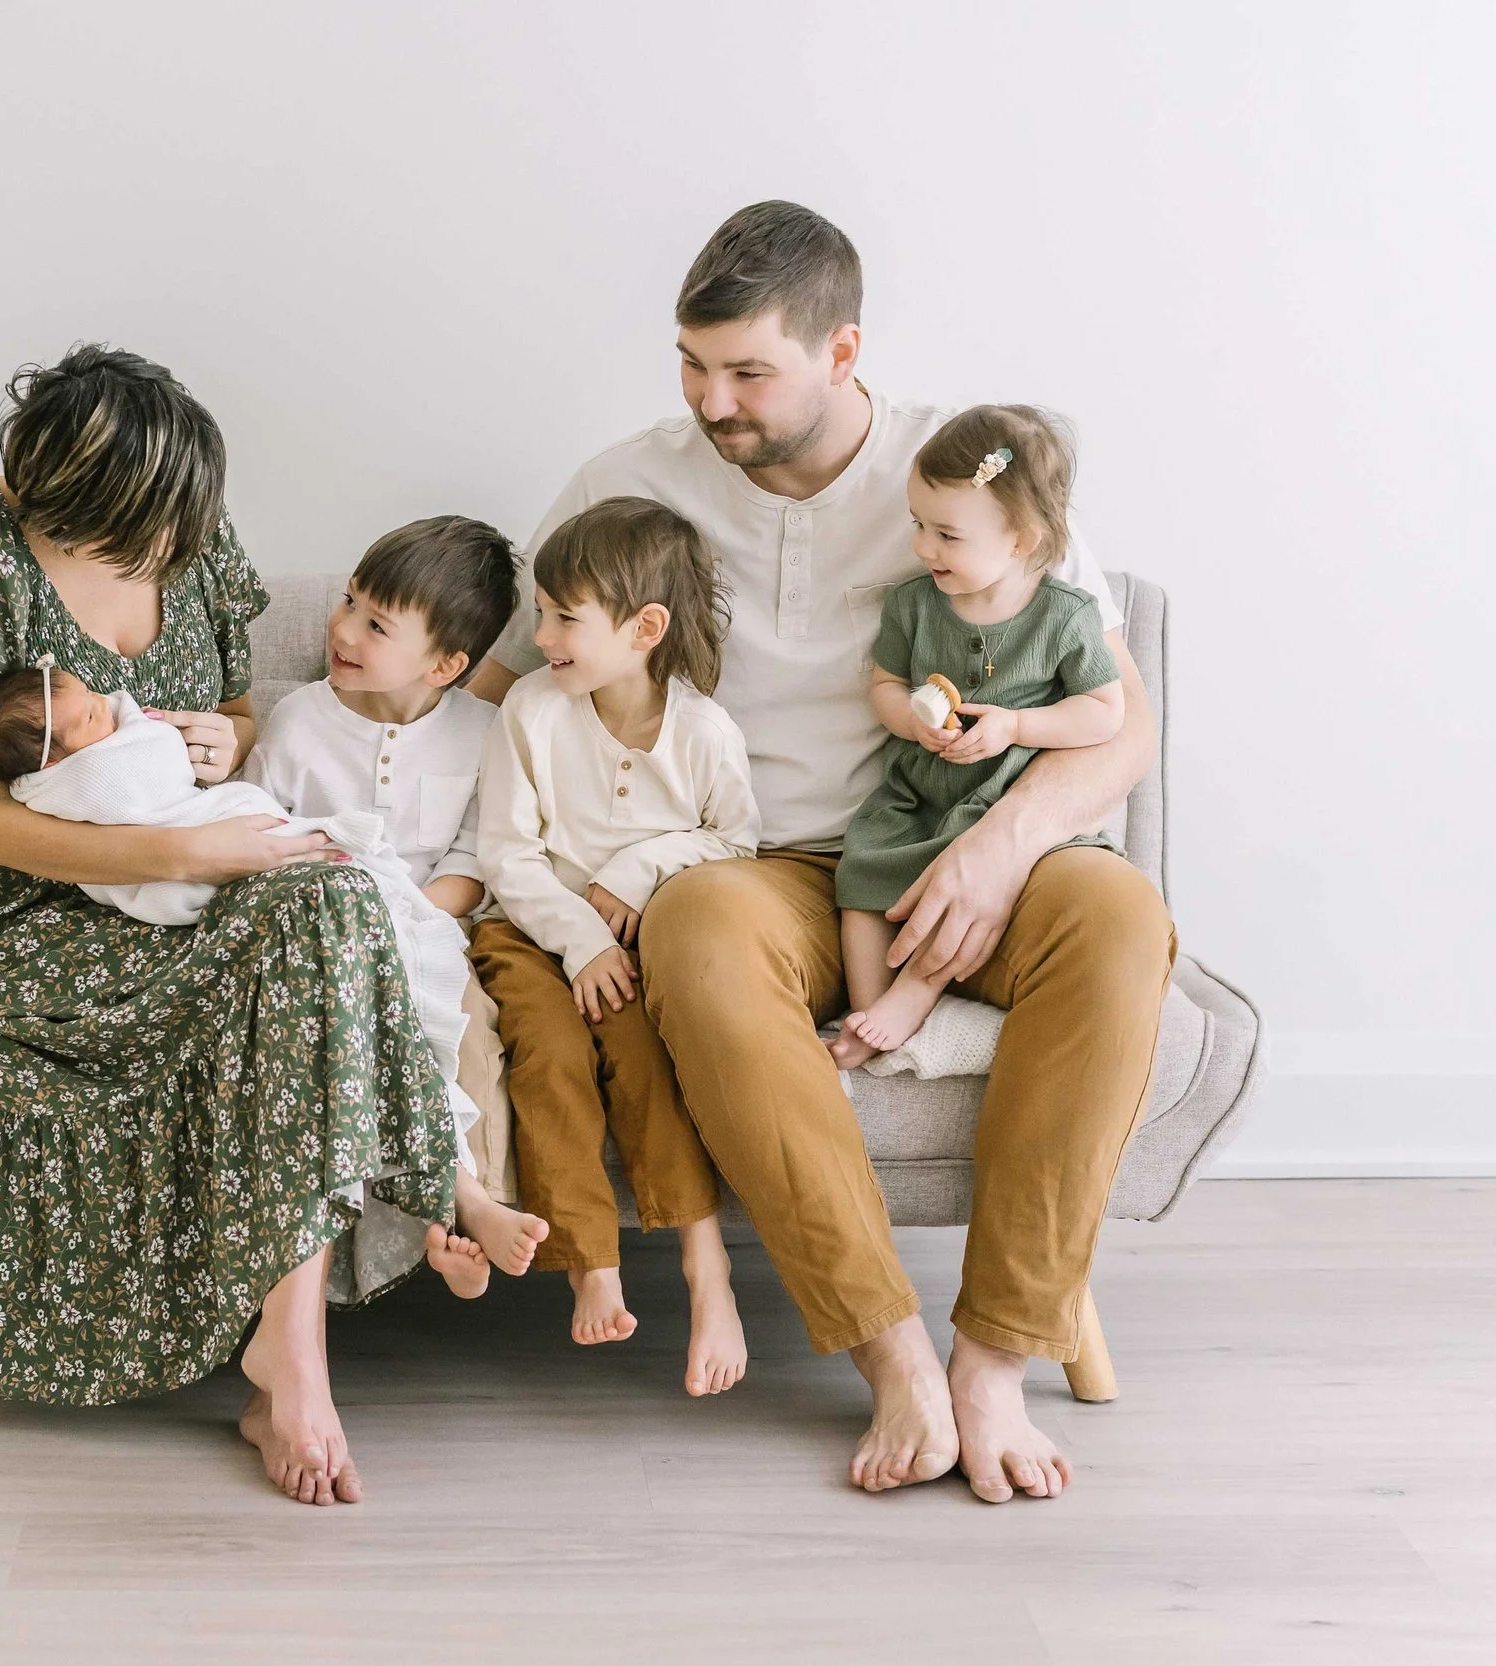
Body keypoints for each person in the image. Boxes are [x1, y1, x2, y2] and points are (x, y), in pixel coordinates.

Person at [467, 203, 1177, 1502]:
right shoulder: (627, 482)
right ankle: (893, 1350)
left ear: (844, 352)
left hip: (965, 834)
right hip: (758, 864)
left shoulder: (970, 473)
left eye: (749, 372)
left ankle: (996, 1361)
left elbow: (1122, 729)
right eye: (693, 364)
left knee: (1122, 919)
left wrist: (1007, 845)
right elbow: (509, 679)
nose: (712, 400)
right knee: (690, 924)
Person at [0, 343, 455, 1509]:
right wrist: (186, 848)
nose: (169, 555)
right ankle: (295, 1351)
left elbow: (240, 708)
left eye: (176, 533)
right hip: (29, 912)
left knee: (333, 895)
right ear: (60, 505)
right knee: (307, 922)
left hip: (196, 879)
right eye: (142, 539)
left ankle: (284, 1347)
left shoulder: (188, 531)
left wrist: (224, 742)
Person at [0, 652, 507, 1298]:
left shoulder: (475, 726)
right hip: (197, 889)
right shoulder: (85, 777)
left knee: (392, 1005)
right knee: (383, 989)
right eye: (88, 714)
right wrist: (163, 751)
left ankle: (458, 1194)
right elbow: (150, 776)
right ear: (53, 762)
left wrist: (211, 741)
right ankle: (453, 1194)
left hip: (258, 864)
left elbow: (225, 733)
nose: (108, 705)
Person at [471, 496, 762, 1397]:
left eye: (564, 617)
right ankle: (591, 1261)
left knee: (645, 1058)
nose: (541, 632)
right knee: (549, 1058)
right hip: (527, 930)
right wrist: (582, 936)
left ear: (644, 629)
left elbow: (737, 844)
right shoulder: (531, 710)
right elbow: (506, 855)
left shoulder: (705, 733)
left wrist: (638, 871)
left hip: (627, 951)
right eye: (541, 609)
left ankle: (704, 1269)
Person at [243, 516, 555, 1292]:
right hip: (323, 936)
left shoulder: (486, 731)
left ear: (448, 664)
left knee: (468, 1032)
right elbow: (253, 836)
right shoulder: (298, 723)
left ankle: (469, 1211)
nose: (342, 628)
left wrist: (412, 913)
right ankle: (459, 1207)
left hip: (432, 927)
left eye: (375, 623)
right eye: (349, 601)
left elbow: (474, 857)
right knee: (363, 1030)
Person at [828, 405, 1124, 1065]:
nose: (923, 547)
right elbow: (884, 686)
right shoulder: (913, 604)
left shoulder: (1064, 616)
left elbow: (1104, 712)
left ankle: (916, 993)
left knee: (959, 886)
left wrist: (1016, 725)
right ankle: (870, 1008)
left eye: (947, 535)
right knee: (863, 871)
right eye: (918, 525)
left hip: (1000, 795)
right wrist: (911, 719)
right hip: (920, 791)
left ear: (1021, 539)